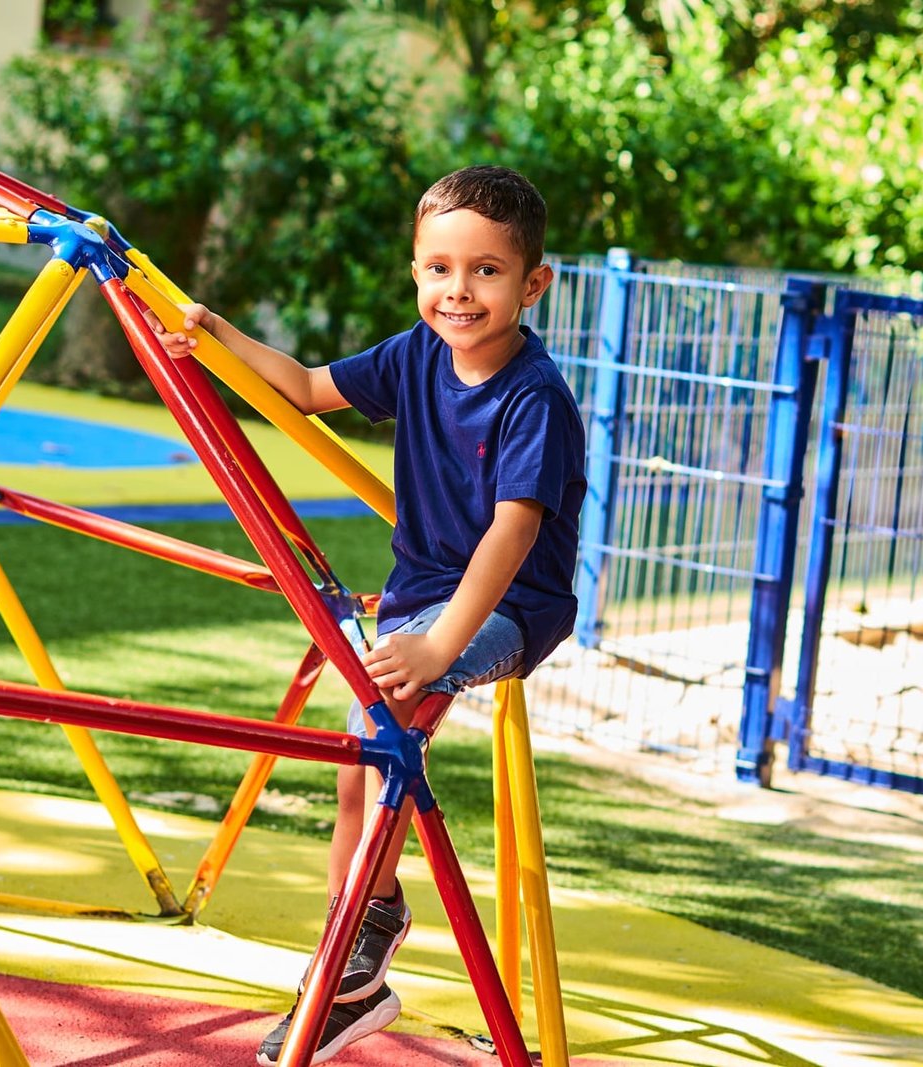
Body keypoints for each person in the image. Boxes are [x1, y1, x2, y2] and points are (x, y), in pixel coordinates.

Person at [144, 164, 585, 1066]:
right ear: (416, 270)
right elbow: (305, 388)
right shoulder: (416, 354)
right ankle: (358, 944)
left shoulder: (533, 396)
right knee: (358, 760)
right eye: (437, 269)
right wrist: (219, 336)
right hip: (423, 593)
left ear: (532, 283)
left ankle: (356, 952)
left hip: (508, 605)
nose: (457, 291)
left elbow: (512, 535)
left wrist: (439, 648)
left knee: (392, 713)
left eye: (486, 271)